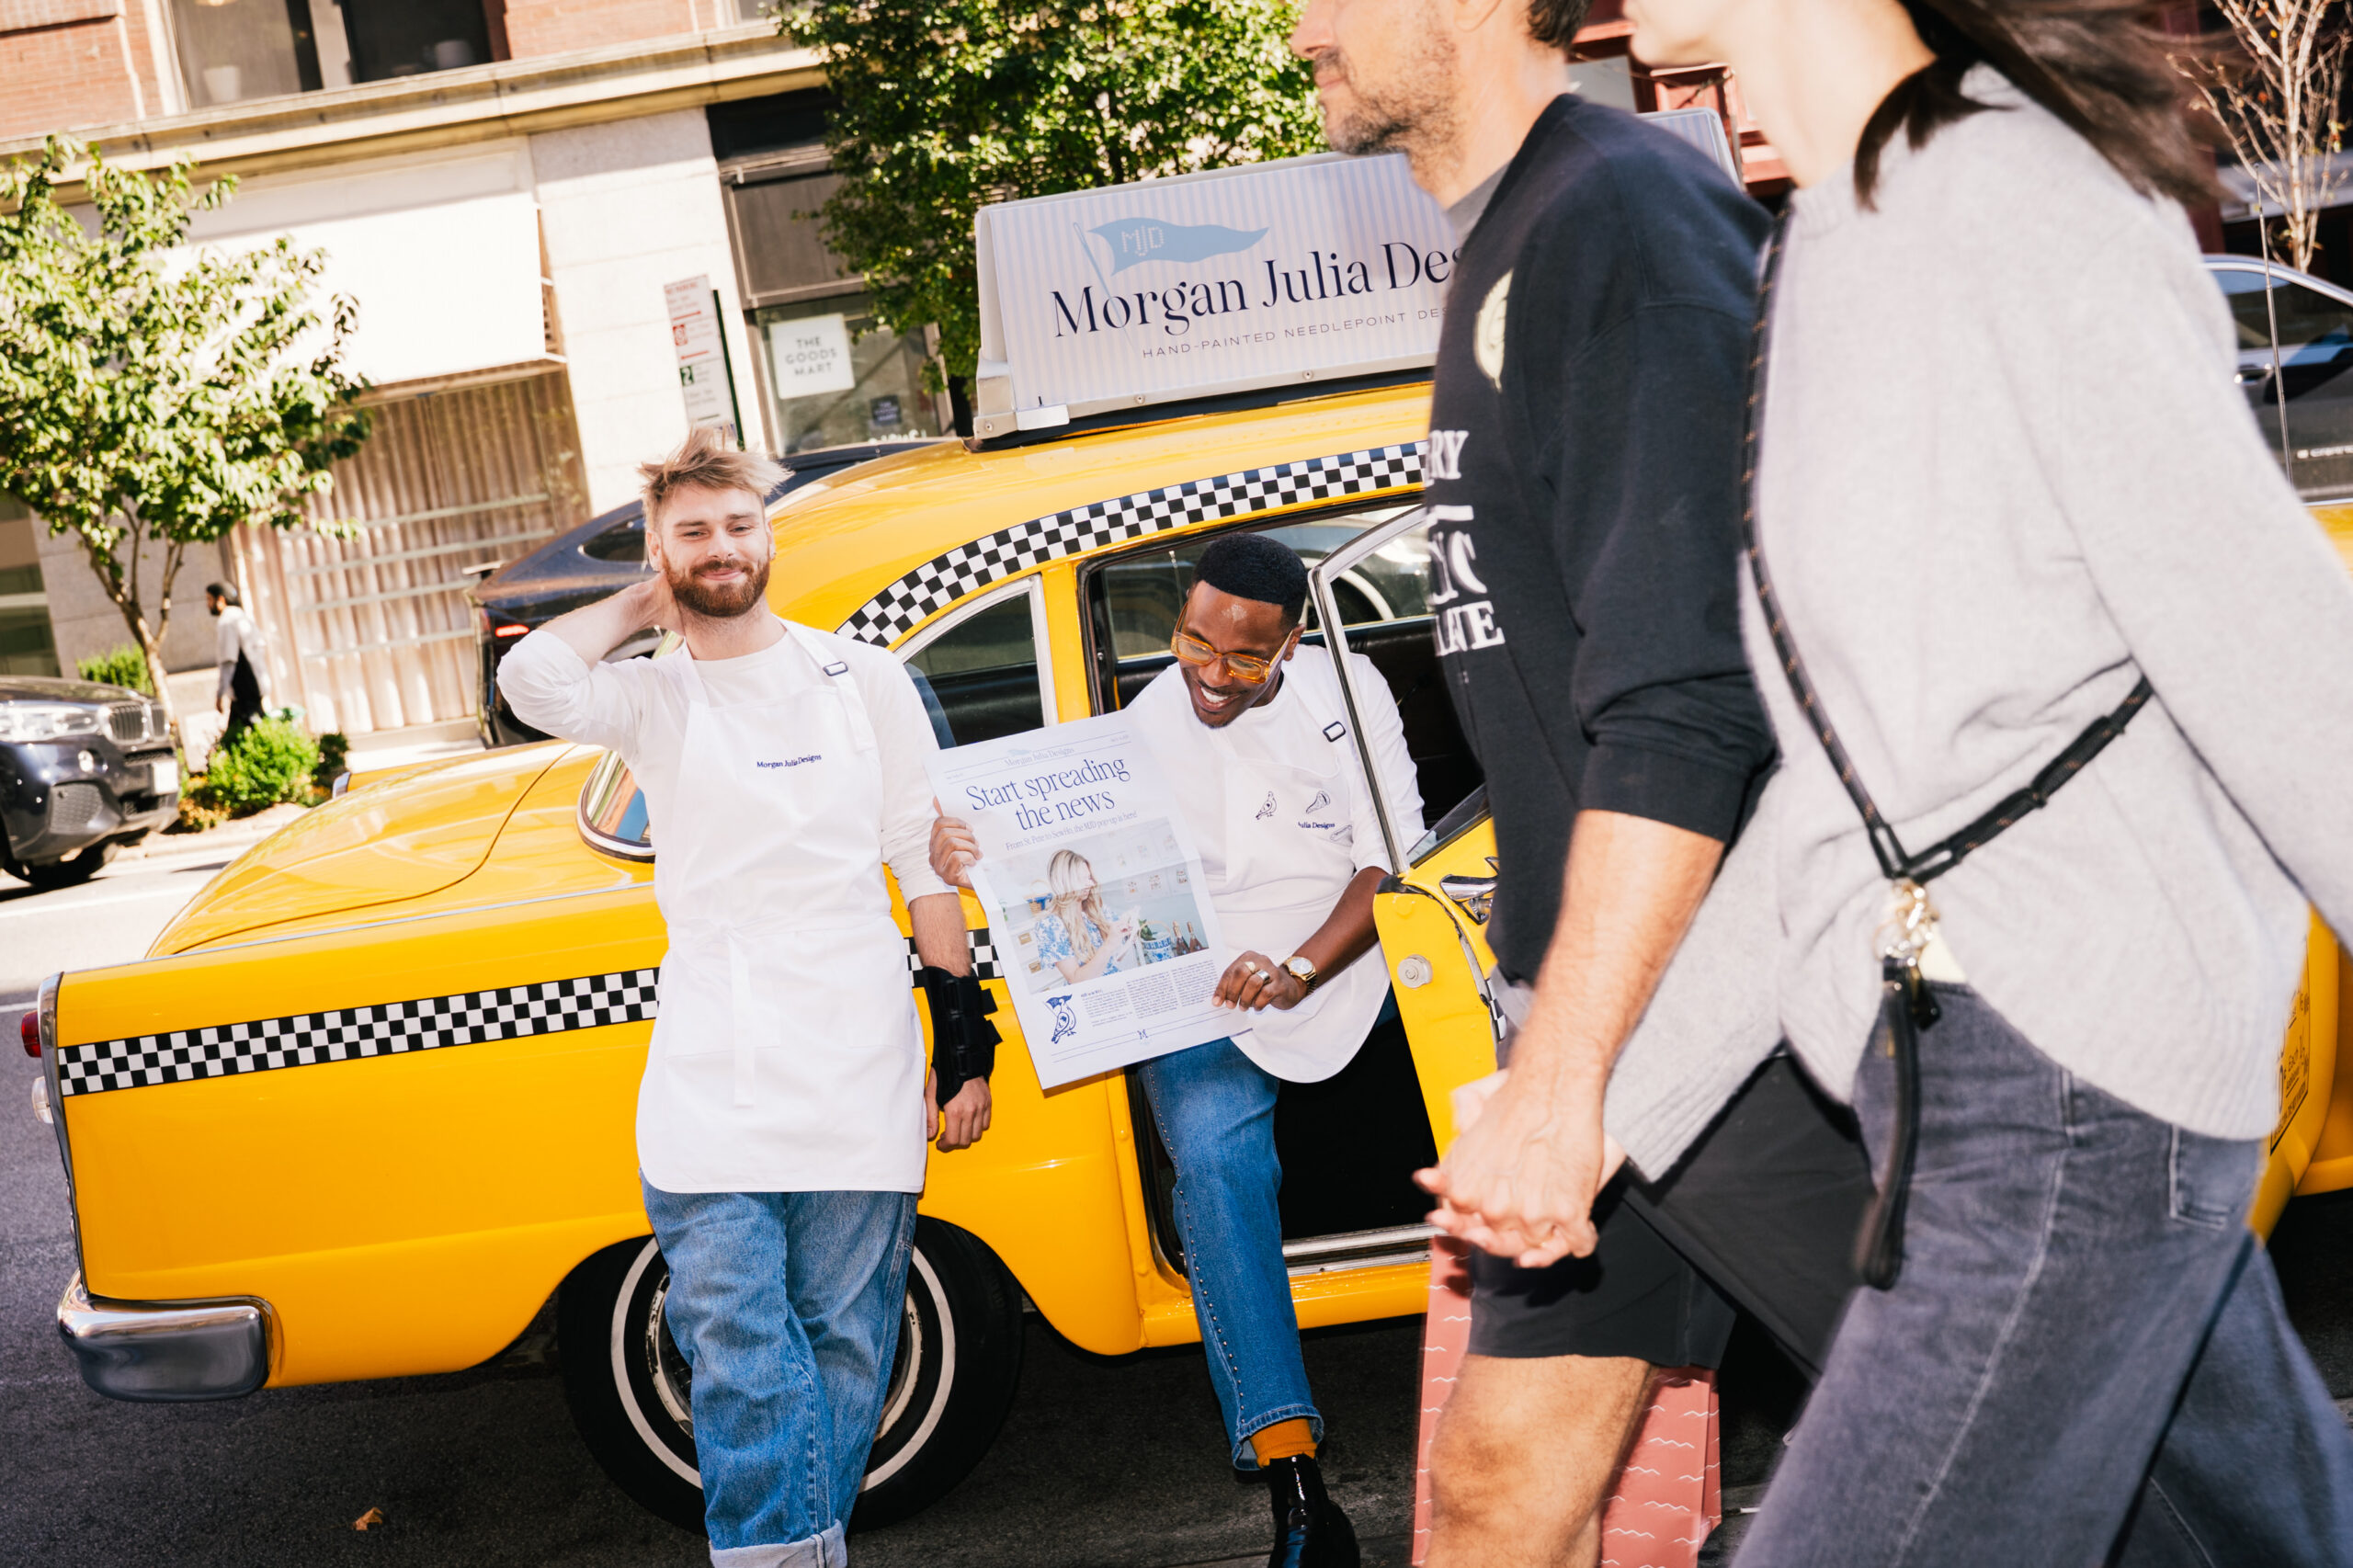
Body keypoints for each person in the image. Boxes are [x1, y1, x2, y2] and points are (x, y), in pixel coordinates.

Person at [1455, 0, 2353, 1560]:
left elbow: (2280, 664)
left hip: (2059, 1086)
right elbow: (1837, 801)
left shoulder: (2015, 197)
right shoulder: (1828, 240)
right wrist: (1596, 1111)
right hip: (1967, 1081)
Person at [1284, 4, 1881, 1565]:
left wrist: (1562, 1080)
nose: (1300, 32)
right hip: (1610, 1014)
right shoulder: (1515, 235)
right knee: (1493, 1489)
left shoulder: (1614, 213)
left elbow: (1688, 697)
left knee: (2069, 1473)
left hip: (1754, 1028)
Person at [498, 427, 999, 1568]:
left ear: (770, 535)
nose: (721, 546)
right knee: (735, 1346)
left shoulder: (861, 678)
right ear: (660, 550)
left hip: (859, 1060)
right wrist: (646, 603)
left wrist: (964, 1047)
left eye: (738, 524)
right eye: (693, 532)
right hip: (710, 1073)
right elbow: (531, 682)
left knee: (846, 1345)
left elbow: (921, 864)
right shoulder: (651, 697)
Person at [933, 534, 1425, 1568]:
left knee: (1492, 1038)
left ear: (1291, 642)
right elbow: (1055, 862)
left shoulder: (1353, 688)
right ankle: (1295, 1479)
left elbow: (1390, 863)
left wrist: (1298, 967)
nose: (1211, 674)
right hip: (1203, 982)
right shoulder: (1140, 727)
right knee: (1211, 1159)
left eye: (1244, 657)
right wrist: (961, 854)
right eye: (1194, 642)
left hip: (1344, 955)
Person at [1033, 849, 1135, 983]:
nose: (1091, 884)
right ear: (1064, 883)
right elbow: (1076, 980)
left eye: (1089, 878)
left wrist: (1128, 937)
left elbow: (1116, 958)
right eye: (1082, 880)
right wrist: (1109, 944)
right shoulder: (1050, 925)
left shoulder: (1097, 910)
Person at [206, 582, 268, 747]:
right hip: (254, 686)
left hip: (244, 689)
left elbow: (228, 661)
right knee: (242, 736)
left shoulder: (226, 622)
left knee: (244, 738)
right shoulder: (242, 617)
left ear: (221, 600)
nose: (208, 604)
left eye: (209, 599)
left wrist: (220, 694)